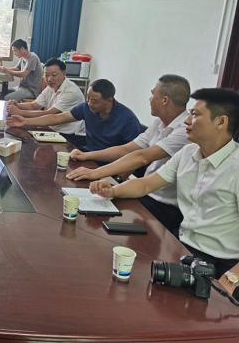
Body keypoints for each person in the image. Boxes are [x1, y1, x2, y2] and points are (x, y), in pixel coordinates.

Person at [89, 88, 239, 279]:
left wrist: (231, 280)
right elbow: (146, 184)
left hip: (222, 264)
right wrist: (112, 191)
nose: (187, 121)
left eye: (195, 114)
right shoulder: (187, 153)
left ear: (221, 122)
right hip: (182, 247)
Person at [66, 75, 191, 235]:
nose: (149, 99)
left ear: (165, 100)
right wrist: (87, 155)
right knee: (93, 207)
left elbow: (142, 157)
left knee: (101, 223)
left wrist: (95, 173)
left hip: (163, 206)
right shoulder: (158, 123)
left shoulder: (184, 131)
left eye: (152, 94)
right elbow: (127, 149)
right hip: (144, 192)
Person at [8, 79, 141, 152]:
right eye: (88, 98)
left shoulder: (128, 119)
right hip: (87, 153)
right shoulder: (86, 107)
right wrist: (26, 121)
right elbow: (58, 118)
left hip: (109, 162)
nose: (89, 104)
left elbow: (136, 153)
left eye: (94, 101)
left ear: (109, 101)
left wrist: (119, 177)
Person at [7, 58, 86, 146]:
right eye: (46, 75)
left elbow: (50, 113)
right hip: (54, 129)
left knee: (30, 144)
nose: (49, 79)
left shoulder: (71, 91)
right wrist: (17, 104)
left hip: (71, 136)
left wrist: (19, 112)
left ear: (64, 74)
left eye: (54, 75)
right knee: (22, 139)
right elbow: (34, 105)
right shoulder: (50, 88)